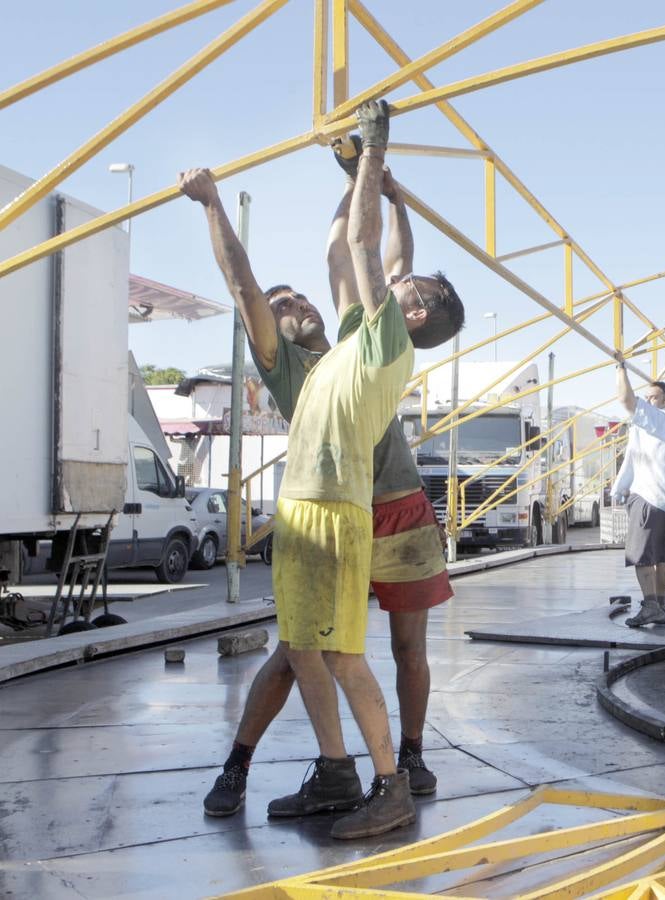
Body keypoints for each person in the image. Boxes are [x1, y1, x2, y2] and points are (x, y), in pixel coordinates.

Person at [180, 100, 458, 839]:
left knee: (361, 651)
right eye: (285, 301)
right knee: (308, 650)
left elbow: (368, 254)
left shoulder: (373, 344)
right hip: (316, 509)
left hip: (352, 508)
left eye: (294, 295)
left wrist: (371, 157)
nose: (294, 297)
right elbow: (329, 257)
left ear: (413, 315)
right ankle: (336, 771)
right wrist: (354, 170)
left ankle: (396, 774)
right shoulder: (313, 358)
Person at [612, 366, 665, 627]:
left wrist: (620, 368)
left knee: (642, 556)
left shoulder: (656, 419)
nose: (648, 401)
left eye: (653, 397)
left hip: (651, 499)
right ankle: (661, 606)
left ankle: (649, 607)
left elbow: (626, 399)